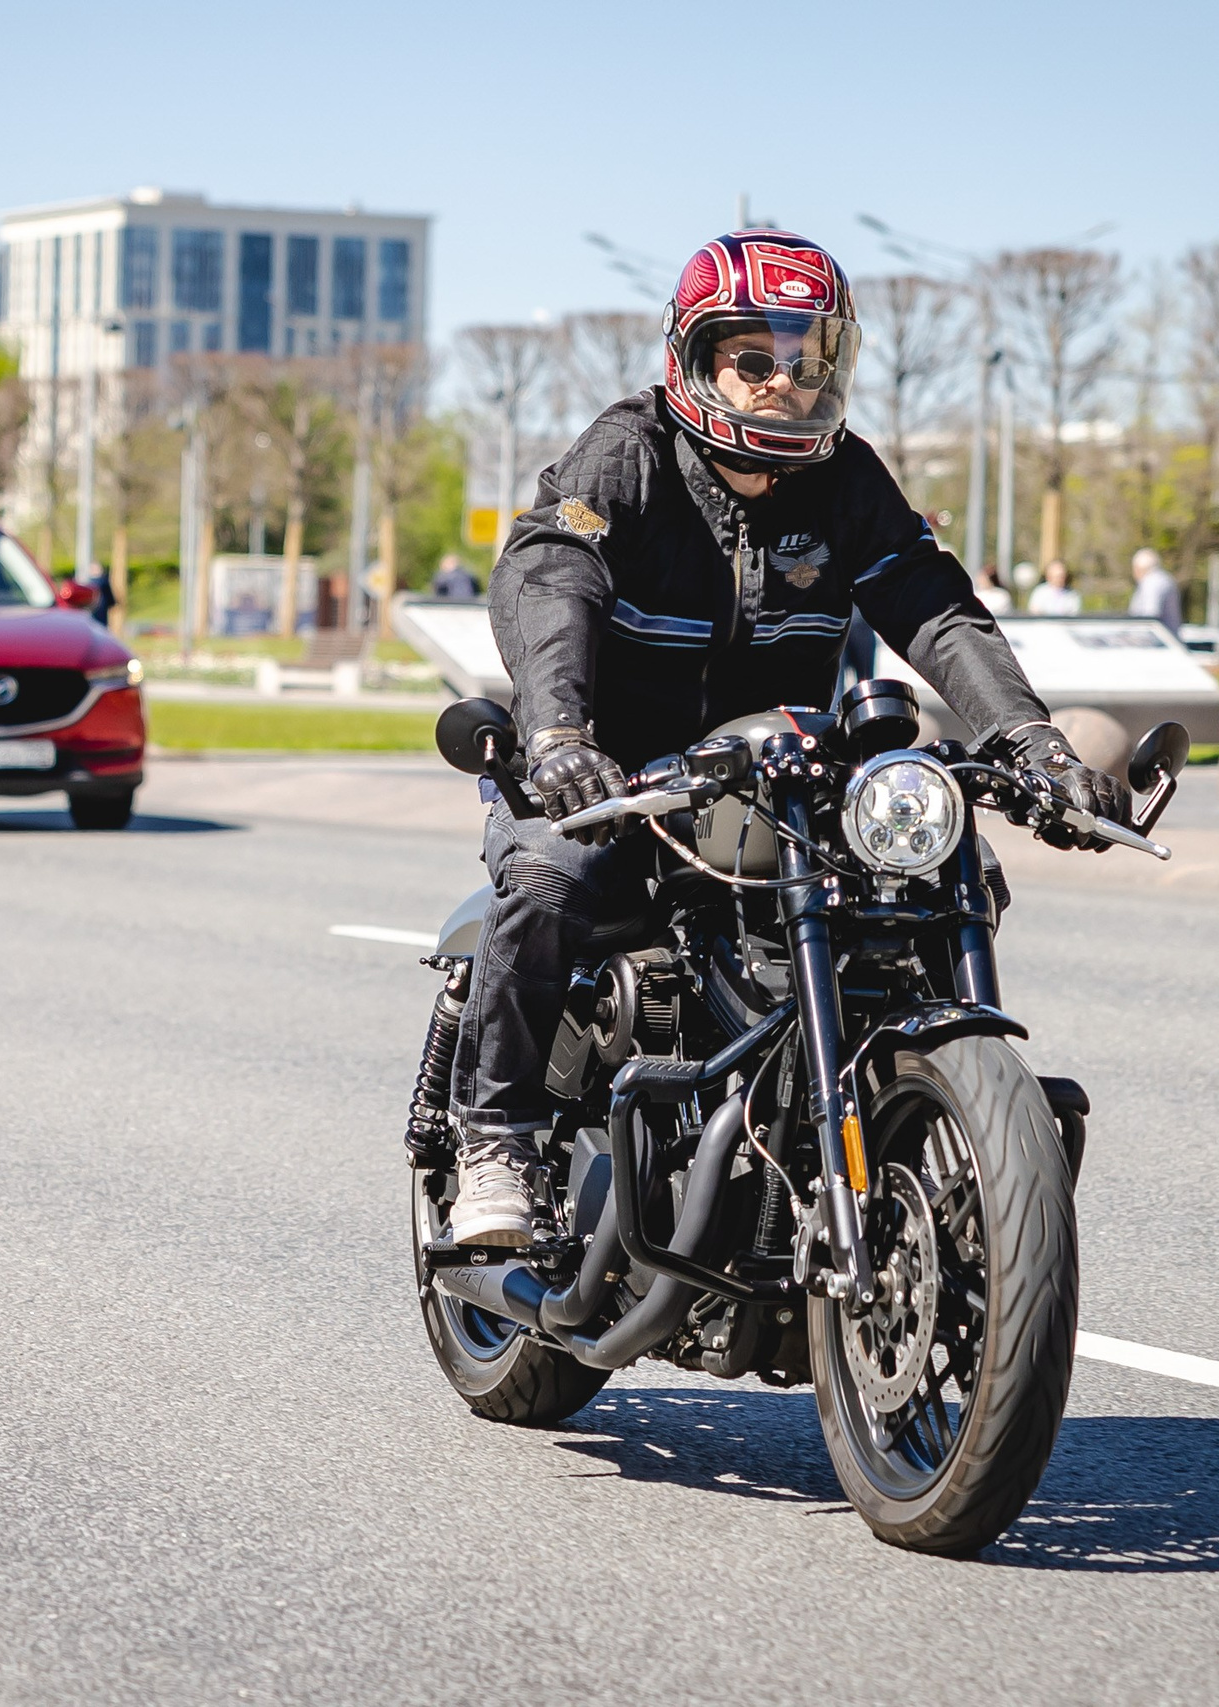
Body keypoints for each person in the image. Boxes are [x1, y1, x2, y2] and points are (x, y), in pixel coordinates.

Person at [449, 230, 1128, 1246]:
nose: (783, 383)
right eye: (753, 359)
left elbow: (936, 610)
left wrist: (1031, 746)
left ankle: (920, 1122)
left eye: (807, 360)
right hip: (611, 781)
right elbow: (550, 575)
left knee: (950, 872)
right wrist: (556, 736)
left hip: (783, 786)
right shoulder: (627, 457)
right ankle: (495, 1139)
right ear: (692, 358)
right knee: (552, 881)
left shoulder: (847, 483)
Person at [1127, 547, 1181, 625]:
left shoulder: (1152, 582)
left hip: (1157, 635)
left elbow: (1150, 616)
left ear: (1139, 568)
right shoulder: (1165, 579)